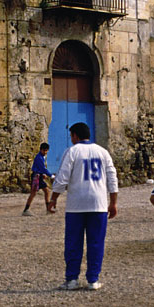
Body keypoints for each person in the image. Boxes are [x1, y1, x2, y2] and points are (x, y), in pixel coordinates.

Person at [48, 122, 118, 291]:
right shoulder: (103, 152)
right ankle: (93, 280)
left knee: (73, 243)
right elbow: (112, 177)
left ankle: (72, 279)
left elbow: (62, 178)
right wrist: (113, 202)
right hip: (99, 204)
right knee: (96, 242)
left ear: (76, 136)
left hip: (76, 205)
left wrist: (54, 198)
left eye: (71, 136)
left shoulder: (72, 152)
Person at [23, 142, 54, 216]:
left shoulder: (41, 157)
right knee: (34, 193)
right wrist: (50, 175)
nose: (45, 152)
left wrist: (42, 174)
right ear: (41, 150)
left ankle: (48, 209)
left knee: (47, 191)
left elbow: (40, 168)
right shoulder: (39, 158)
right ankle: (26, 210)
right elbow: (42, 168)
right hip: (36, 177)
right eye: (44, 150)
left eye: (46, 150)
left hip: (39, 176)